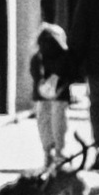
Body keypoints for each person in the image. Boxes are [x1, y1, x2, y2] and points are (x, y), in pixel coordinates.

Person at [27, 17, 74, 175]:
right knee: (59, 120)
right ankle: (60, 153)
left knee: (44, 121)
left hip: (41, 94)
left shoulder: (37, 56)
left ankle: (48, 153)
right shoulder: (64, 53)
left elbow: (35, 73)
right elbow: (70, 71)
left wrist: (41, 84)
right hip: (60, 92)